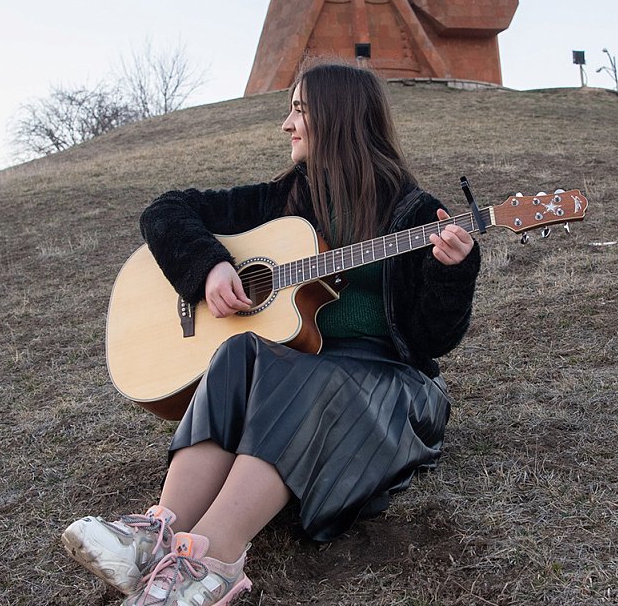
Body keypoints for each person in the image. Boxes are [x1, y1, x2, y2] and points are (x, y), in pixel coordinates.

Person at [61, 63, 480, 604]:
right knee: (237, 351)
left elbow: (431, 341)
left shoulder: (415, 214)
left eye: (299, 110)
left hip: (386, 389)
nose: (286, 124)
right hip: (294, 373)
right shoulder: (278, 201)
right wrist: (209, 266)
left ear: (339, 118)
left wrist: (452, 272)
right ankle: (157, 531)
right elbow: (165, 212)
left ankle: (213, 558)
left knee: (310, 376)